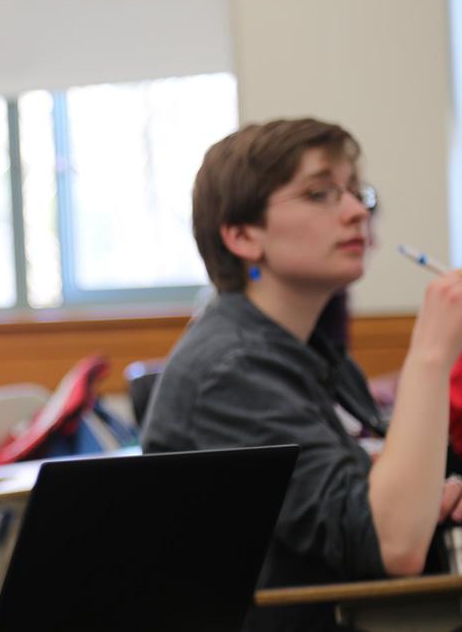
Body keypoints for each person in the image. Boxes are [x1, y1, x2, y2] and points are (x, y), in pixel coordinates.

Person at [141, 118, 462, 631]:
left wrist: (433, 494)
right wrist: (431, 351)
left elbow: (374, 508)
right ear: (244, 235)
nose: (359, 212)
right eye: (321, 194)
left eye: (358, 194)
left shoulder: (308, 351)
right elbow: (392, 546)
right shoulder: (230, 372)